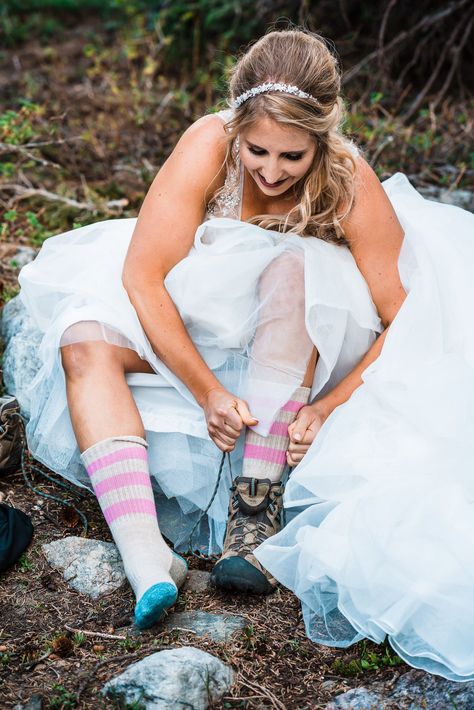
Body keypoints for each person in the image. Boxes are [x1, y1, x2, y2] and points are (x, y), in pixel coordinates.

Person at [16, 27, 474, 681]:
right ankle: (149, 561)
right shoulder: (208, 143)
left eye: (292, 155)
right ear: (236, 127)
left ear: (322, 136)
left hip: (296, 346)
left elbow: (405, 318)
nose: (270, 169)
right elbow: (143, 278)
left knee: (293, 266)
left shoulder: (346, 178)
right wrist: (205, 390)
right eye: (257, 150)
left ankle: (252, 528)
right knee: (83, 337)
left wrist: (331, 406)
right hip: (198, 320)